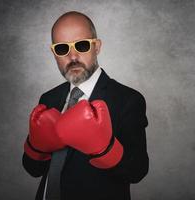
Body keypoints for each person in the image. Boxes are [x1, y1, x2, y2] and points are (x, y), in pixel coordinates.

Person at [22, 11, 149, 200]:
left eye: (81, 45)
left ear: (96, 46)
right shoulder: (49, 98)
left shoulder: (127, 99)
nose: (73, 56)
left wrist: (105, 149)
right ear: (54, 53)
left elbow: (137, 171)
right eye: (62, 48)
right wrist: (36, 147)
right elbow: (33, 170)